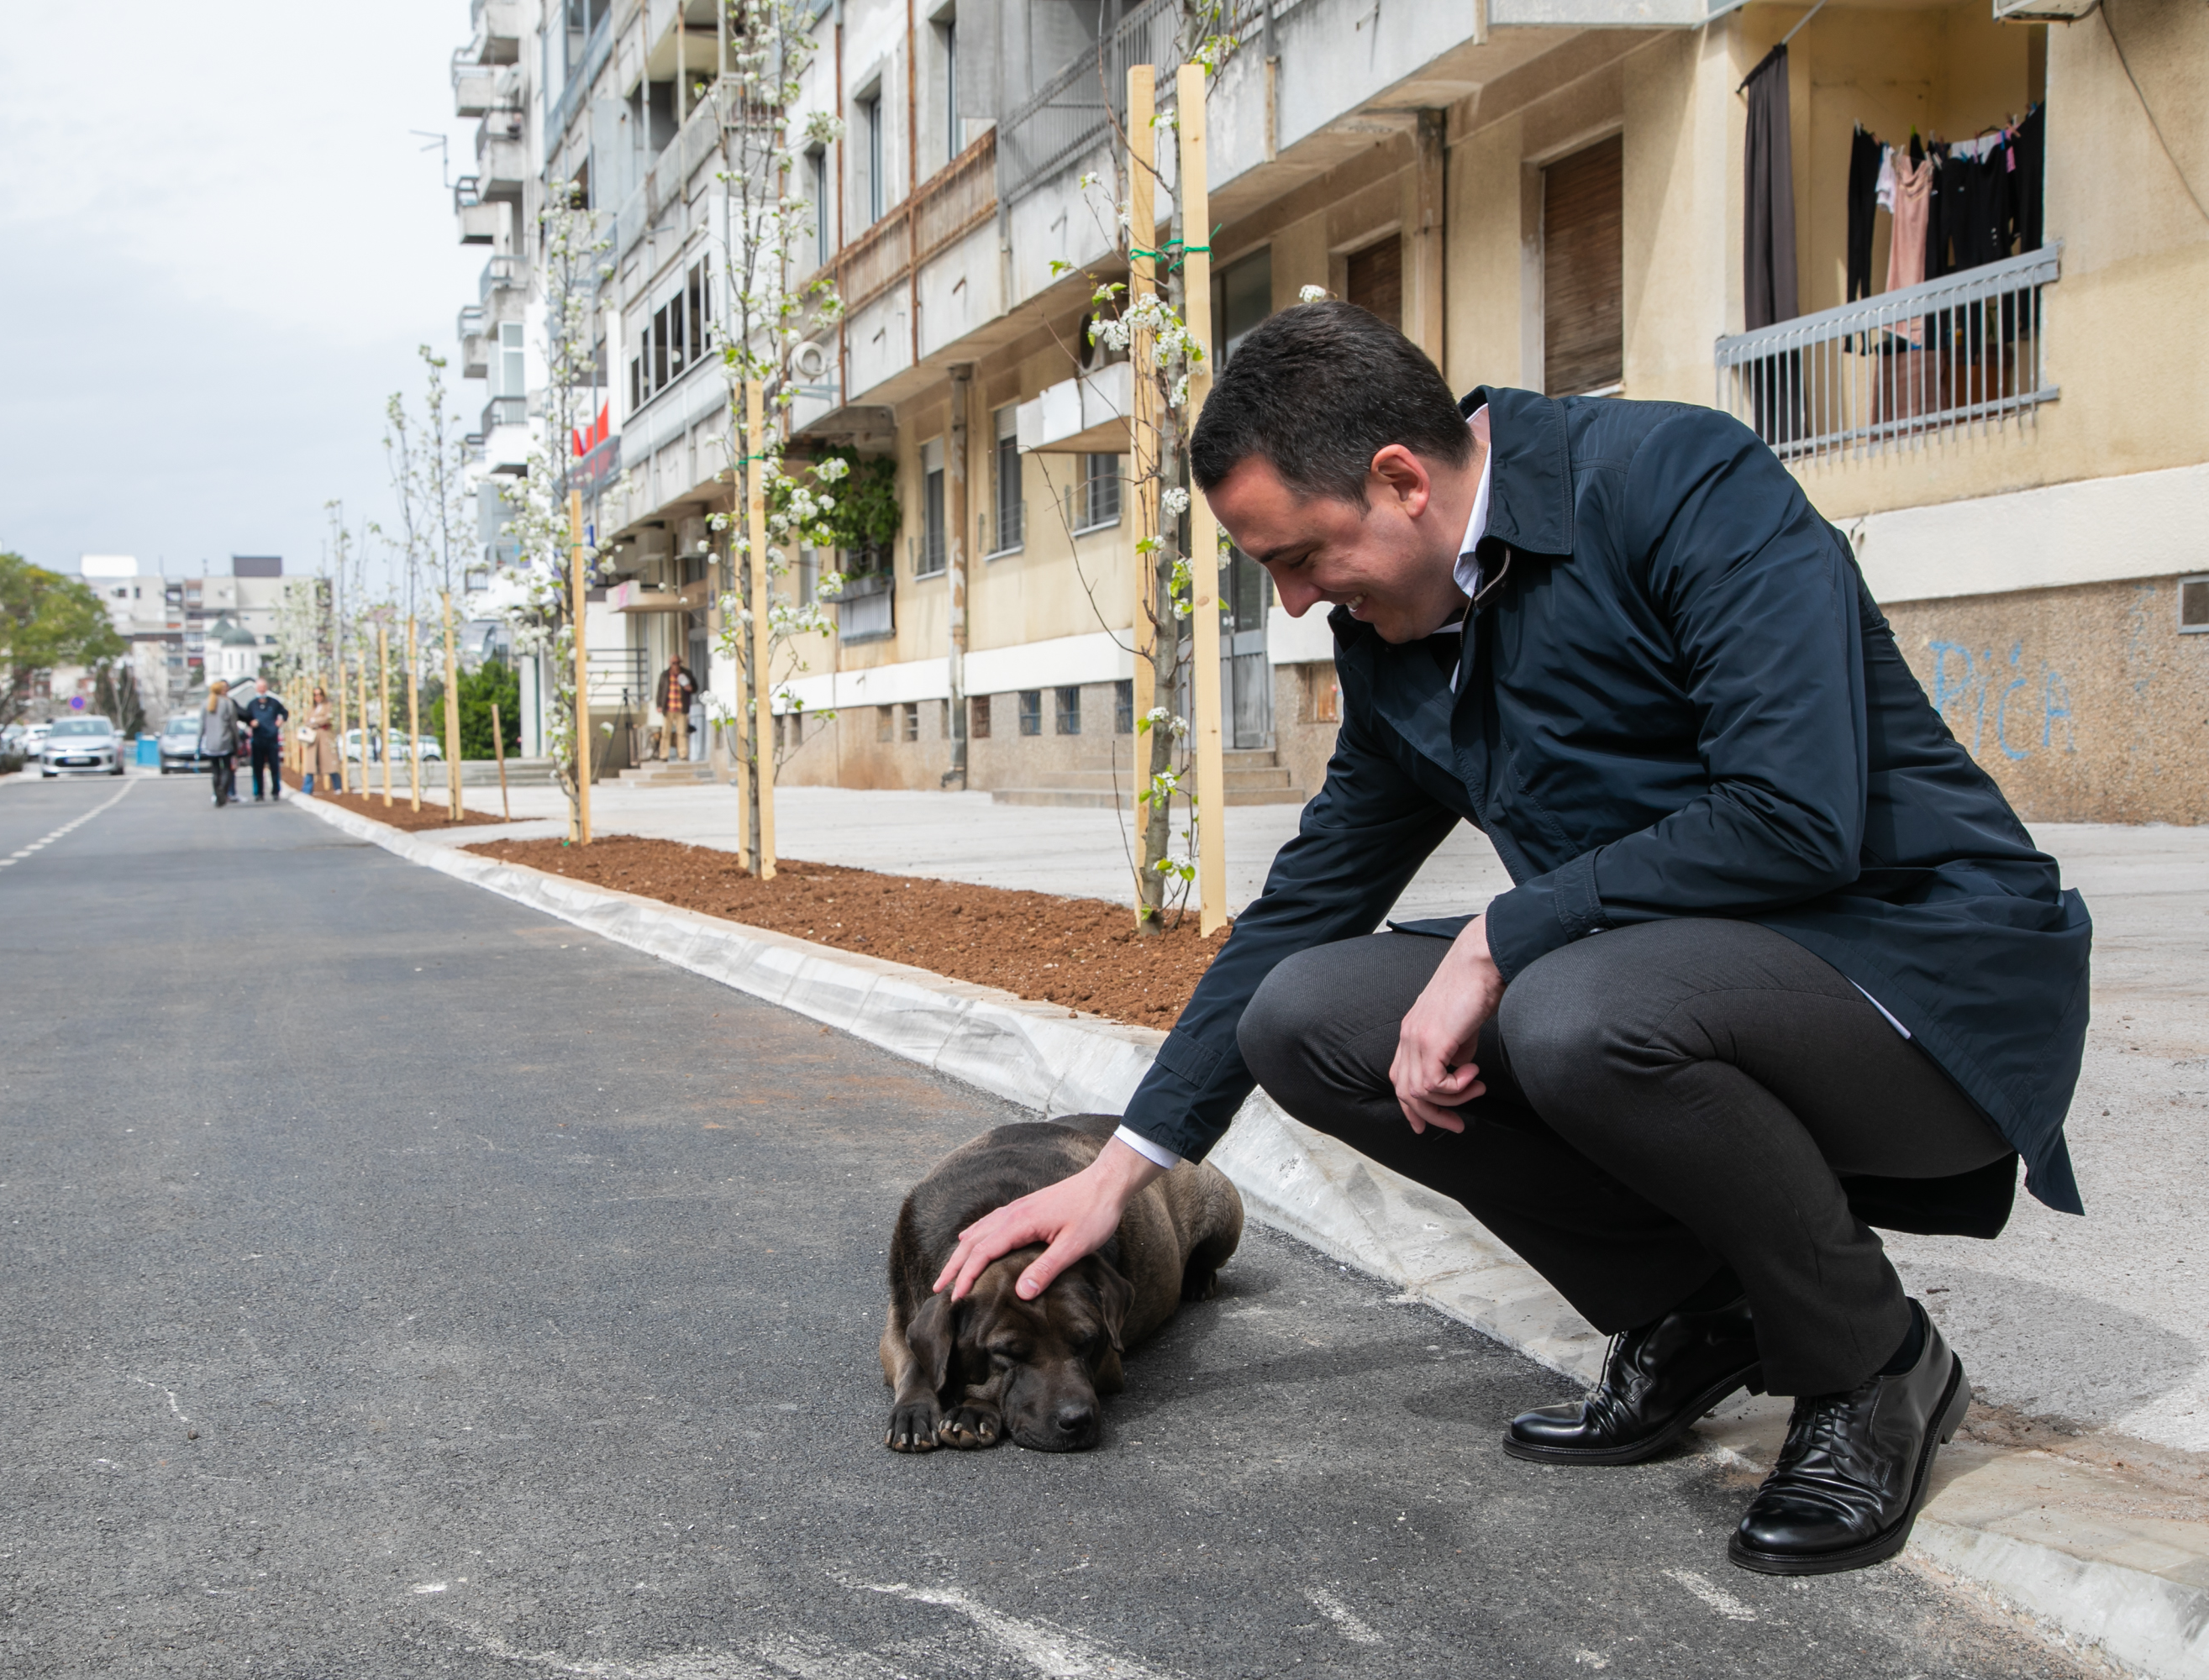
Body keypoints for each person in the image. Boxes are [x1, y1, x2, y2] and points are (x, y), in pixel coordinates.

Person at [934, 302, 2090, 1580]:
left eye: (1301, 555)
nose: (1298, 599)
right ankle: (1695, 1311)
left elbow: (1796, 817)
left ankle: (1876, 1364)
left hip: (1923, 978)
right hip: (1677, 990)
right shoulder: (1399, 648)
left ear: (1401, 483)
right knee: (1307, 1017)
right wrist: (1121, 1170)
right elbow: (1305, 907)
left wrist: (1501, 934)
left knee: (1569, 1007)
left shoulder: (1678, 484)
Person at [237, 676, 290, 802]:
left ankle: (276, 791)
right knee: (257, 767)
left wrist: (280, 720)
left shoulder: (274, 702)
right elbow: (245, 718)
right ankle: (259, 793)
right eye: (259, 688)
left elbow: (285, 713)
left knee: (274, 767)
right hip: (258, 740)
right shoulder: (252, 704)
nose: (261, 690)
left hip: (272, 739)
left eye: (263, 688)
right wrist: (251, 723)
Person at [200, 681, 244, 808]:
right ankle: (223, 791)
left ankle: (216, 791)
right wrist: (237, 741)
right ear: (222, 691)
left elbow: (201, 725)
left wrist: (198, 743)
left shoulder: (205, 704)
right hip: (225, 742)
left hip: (211, 744)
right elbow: (233, 725)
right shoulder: (227, 703)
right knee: (226, 769)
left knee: (215, 771)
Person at [656, 655, 699, 762]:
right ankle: (663, 755)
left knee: (682, 732)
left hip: (681, 707)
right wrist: (659, 705)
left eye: (677, 663)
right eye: (673, 663)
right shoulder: (665, 675)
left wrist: (690, 688)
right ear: (670, 663)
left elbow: (695, 687)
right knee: (666, 732)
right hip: (668, 707)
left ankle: (683, 754)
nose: (676, 665)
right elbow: (660, 690)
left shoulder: (686, 673)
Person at [302, 684, 339, 795]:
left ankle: (338, 786)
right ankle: (306, 789)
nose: (317, 697)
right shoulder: (312, 708)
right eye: (315, 695)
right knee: (310, 765)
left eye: (319, 694)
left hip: (325, 737)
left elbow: (327, 718)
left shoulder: (328, 706)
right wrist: (313, 721)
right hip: (313, 738)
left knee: (330, 763)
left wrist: (315, 721)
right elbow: (307, 720)